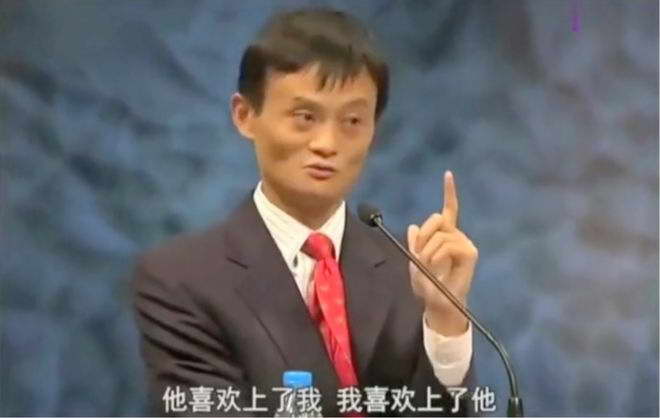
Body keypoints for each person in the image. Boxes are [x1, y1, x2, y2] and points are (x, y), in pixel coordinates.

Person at [132, 7, 479, 417]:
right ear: (245, 116)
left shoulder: (414, 268)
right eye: (305, 117)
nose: (327, 144)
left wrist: (445, 320)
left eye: (353, 120)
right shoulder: (180, 279)